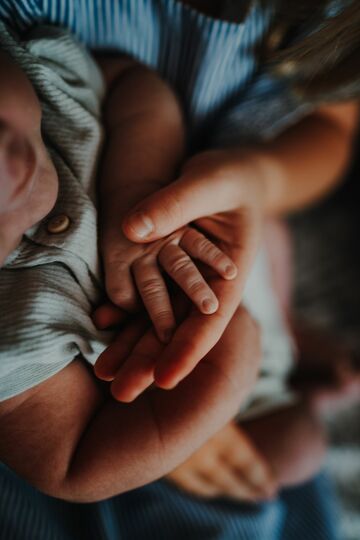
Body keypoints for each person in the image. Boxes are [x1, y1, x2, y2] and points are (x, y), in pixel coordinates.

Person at [0, 1, 359, 538]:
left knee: (271, 243)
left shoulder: (38, 68)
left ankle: (288, 337)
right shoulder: (10, 342)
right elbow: (75, 464)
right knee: (293, 451)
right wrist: (180, 420)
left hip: (232, 208)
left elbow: (134, 86)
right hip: (153, 400)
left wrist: (136, 188)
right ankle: (283, 354)